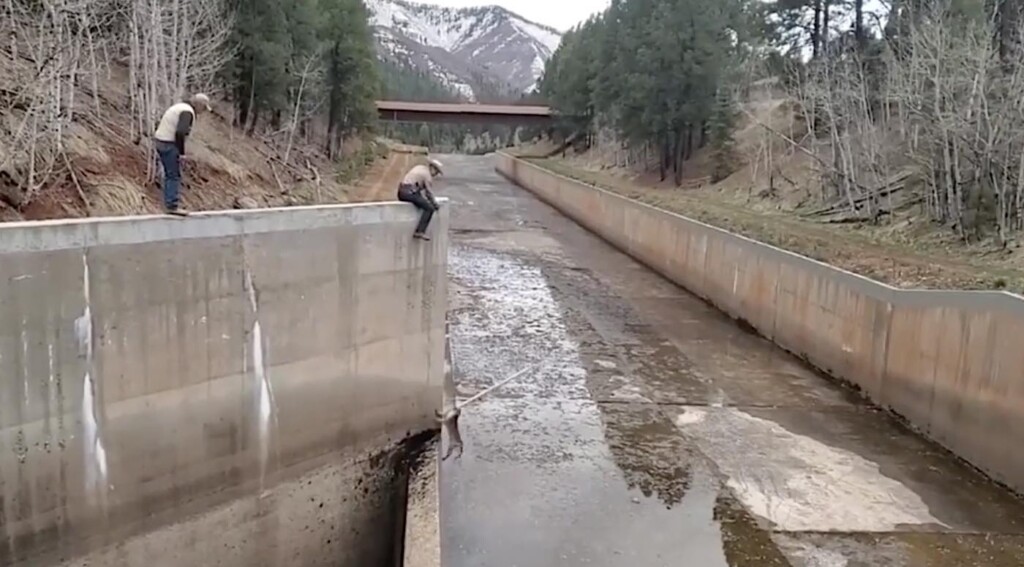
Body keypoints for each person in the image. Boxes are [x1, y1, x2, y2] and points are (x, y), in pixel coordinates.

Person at [153, 93, 212, 216]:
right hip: (168, 143)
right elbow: (180, 132)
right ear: (199, 105)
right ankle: (172, 206)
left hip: (160, 140)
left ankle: (169, 203)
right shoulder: (187, 112)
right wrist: (181, 153)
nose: (202, 112)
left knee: (170, 174)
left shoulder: (180, 106)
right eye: (203, 108)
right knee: (174, 175)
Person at [397, 158, 444, 240]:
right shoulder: (427, 175)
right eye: (436, 172)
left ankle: (419, 231)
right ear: (432, 168)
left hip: (401, 191)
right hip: (409, 193)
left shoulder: (419, 167)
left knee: (421, 201)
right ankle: (420, 231)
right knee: (429, 209)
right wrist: (435, 204)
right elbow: (428, 193)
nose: (435, 174)